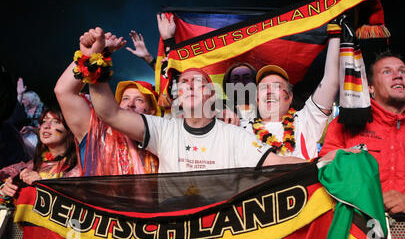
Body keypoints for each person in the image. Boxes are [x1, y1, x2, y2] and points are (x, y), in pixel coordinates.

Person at [84, 27, 348, 173]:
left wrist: (322, 163)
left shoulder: (237, 135)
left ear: (212, 95)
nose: (188, 84)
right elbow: (108, 112)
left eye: (198, 81)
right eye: (183, 82)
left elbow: (276, 163)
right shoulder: (163, 130)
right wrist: (93, 59)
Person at [320, 51, 405, 214]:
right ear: (370, 87)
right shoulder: (345, 126)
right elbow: (324, 176)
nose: (398, 76)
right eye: (387, 71)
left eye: (402, 71)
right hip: (360, 235)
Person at [54, 31, 160, 176]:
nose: (130, 104)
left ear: (151, 111)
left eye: (139, 100)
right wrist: (92, 54)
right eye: (125, 99)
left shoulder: (161, 141)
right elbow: (64, 91)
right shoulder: (96, 131)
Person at [239, 33, 341, 160]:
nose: (269, 91)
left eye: (277, 86)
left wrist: (335, 37)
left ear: (290, 97)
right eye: (264, 88)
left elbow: (330, 82)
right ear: (256, 99)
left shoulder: (305, 120)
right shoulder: (241, 129)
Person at [0, 105, 80, 198]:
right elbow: (4, 175)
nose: (46, 126)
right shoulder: (31, 165)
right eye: (44, 121)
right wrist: (4, 190)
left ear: (70, 130)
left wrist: (42, 182)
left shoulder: (79, 167)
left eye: (56, 122)